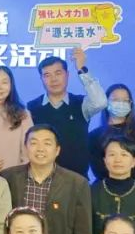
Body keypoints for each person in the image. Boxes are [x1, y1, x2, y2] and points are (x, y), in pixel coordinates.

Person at [1, 124, 92, 234]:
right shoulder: (8, 177)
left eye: (47, 143)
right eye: (34, 143)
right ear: (25, 148)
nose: (40, 148)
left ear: (57, 150)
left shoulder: (77, 184)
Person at [26, 48, 108, 177]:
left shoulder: (80, 104)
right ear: (41, 79)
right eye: (47, 75)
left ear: (67, 75)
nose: (53, 79)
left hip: (77, 179)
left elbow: (101, 102)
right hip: (41, 178)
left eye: (58, 73)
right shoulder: (31, 108)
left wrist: (81, 69)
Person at [87, 84, 135, 180]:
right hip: (107, 185)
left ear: (131, 104)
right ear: (106, 103)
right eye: (116, 100)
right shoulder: (94, 136)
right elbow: (99, 170)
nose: (121, 104)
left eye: (125, 100)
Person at [0, 65, 32, 172]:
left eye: (4, 82)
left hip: (12, 177)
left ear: (11, 86)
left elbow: (28, 151)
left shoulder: (22, 114)